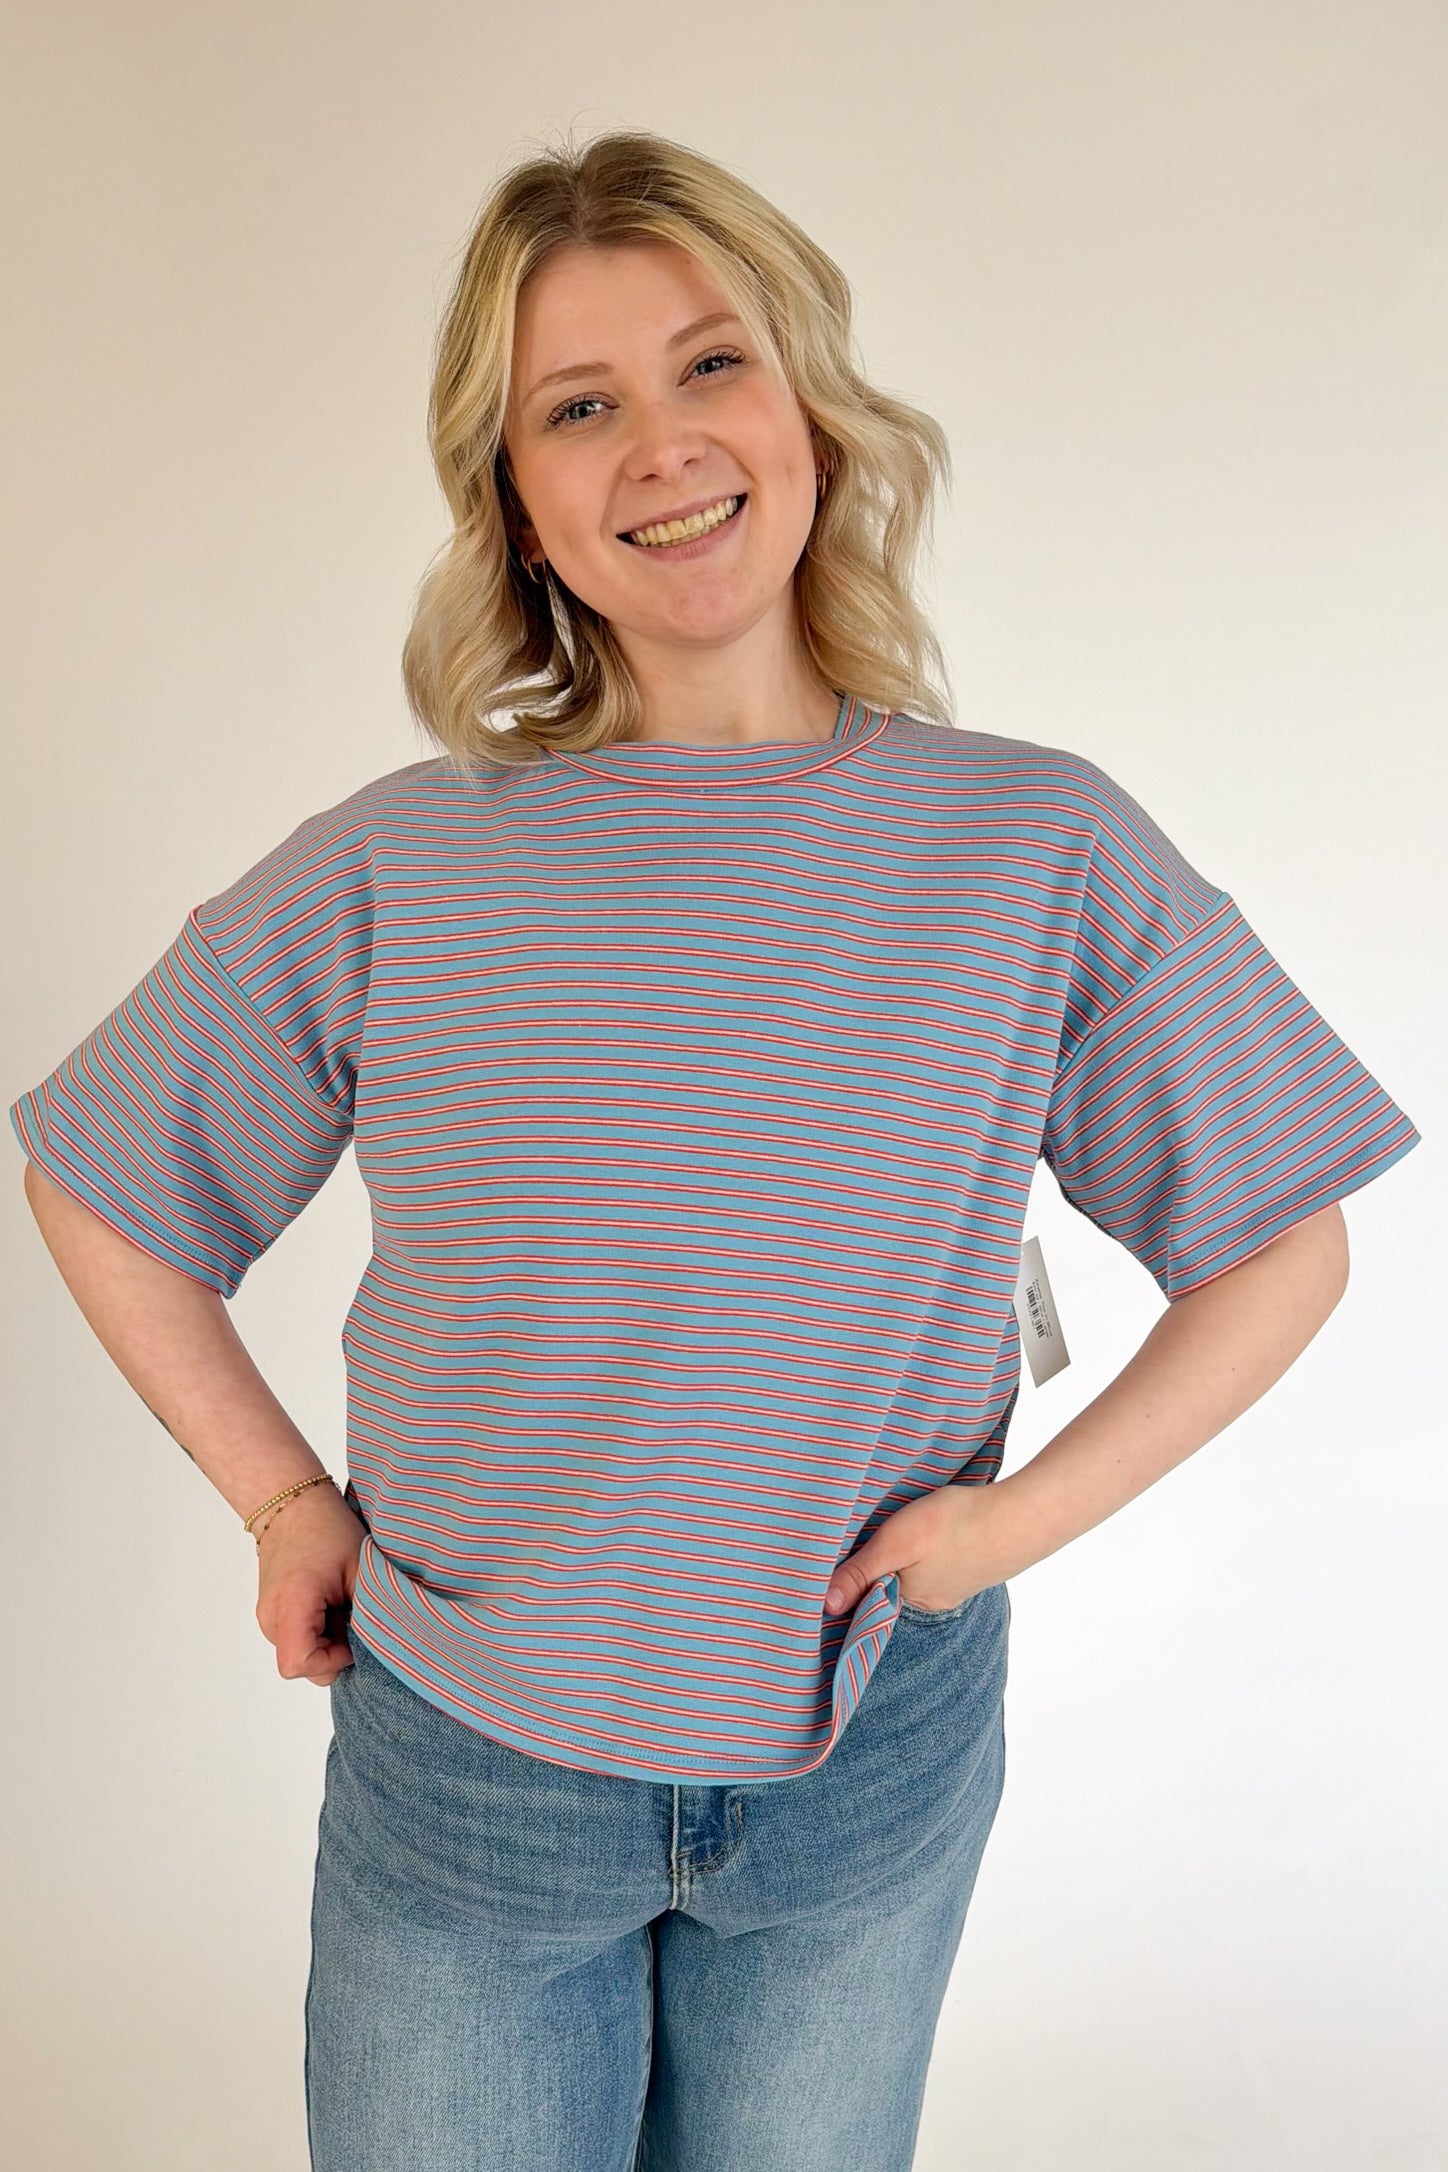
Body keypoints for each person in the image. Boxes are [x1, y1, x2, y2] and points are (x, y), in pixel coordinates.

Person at [10, 128, 1421, 2172]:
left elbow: (1281, 1244)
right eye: (577, 408)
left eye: (708, 365)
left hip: (871, 1758)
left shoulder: (1035, 844)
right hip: (470, 1763)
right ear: (515, 502)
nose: (661, 445)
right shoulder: (401, 866)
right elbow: (103, 1177)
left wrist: (1001, 1536)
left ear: (810, 409)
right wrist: (279, 1503)